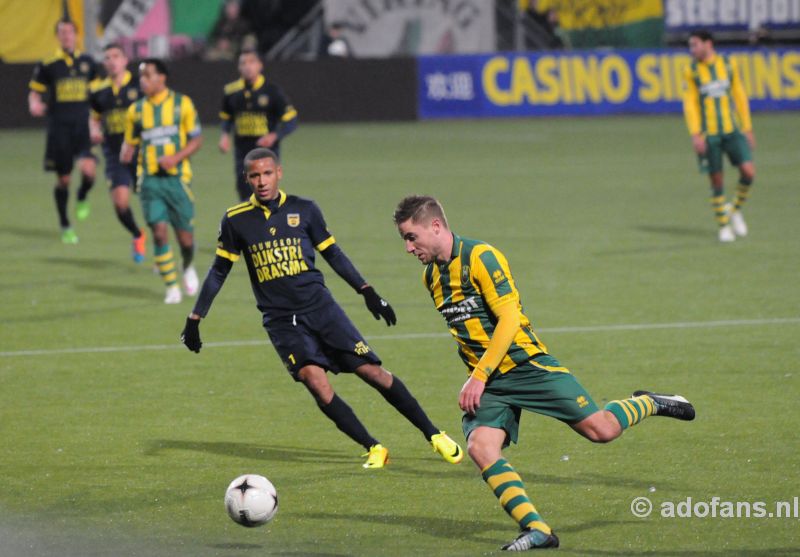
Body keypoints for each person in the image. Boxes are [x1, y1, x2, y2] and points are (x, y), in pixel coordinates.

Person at [393, 195, 695, 551]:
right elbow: (466, 332)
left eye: (411, 237)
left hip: (526, 365)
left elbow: (509, 319)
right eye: (405, 240)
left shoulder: (481, 258)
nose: (409, 248)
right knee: (481, 447)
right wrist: (479, 375)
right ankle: (536, 529)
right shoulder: (431, 278)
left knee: (601, 431)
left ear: (436, 226)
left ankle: (648, 402)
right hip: (490, 381)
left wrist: (480, 374)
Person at [180, 148, 463, 469]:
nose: (261, 181)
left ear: (279, 173)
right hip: (281, 321)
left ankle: (433, 434)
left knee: (372, 372)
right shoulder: (236, 220)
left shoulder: (305, 210)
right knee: (314, 381)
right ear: (246, 178)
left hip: (322, 310)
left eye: (267, 174)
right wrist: (195, 317)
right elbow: (219, 270)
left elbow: (334, 254)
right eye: (255, 175)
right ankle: (374, 447)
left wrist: (367, 291)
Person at [121, 58, 203, 304]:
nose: (143, 81)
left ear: (162, 78)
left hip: (178, 180)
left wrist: (176, 157)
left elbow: (196, 140)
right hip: (149, 182)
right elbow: (130, 142)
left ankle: (187, 266)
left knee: (185, 240)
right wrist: (124, 151)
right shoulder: (135, 110)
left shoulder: (183, 104)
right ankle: (171, 287)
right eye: (141, 76)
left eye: (148, 76)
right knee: (158, 233)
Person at [28, 18, 98, 244]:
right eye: (62, 32)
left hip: (82, 127)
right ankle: (65, 224)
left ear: (76, 35)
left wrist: (96, 123)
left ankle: (83, 195)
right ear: (58, 36)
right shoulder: (49, 63)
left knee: (89, 172)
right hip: (59, 129)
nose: (66, 36)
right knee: (64, 180)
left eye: (70, 32)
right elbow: (35, 92)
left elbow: (97, 97)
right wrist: (34, 104)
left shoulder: (88, 62)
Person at [683, 29, 756, 243]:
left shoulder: (728, 64)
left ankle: (732, 210)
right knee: (716, 180)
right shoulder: (692, 71)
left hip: (732, 130)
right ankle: (723, 226)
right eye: (691, 46)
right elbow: (690, 104)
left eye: (695, 44)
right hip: (709, 134)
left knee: (749, 173)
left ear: (708, 44)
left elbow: (740, 96)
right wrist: (695, 134)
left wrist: (747, 127)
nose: (692, 49)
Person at [89, 43, 147, 263]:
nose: (112, 61)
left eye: (116, 56)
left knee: (152, 207)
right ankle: (137, 234)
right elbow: (94, 116)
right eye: (107, 57)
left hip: (141, 154)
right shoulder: (99, 90)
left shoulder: (139, 85)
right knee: (120, 204)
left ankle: (163, 253)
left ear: (125, 60)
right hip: (114, 155)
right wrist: (94, 130)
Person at [218, 49, 298, 201]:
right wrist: (224, 135)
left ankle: (270, 224)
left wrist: (275, 135)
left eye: (252, 62)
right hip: (242, 153)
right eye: (243, 63)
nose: (247, 67)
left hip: (267, 153)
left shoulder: (272, 91)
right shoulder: (231, 91)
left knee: (266, 193)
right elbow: (226, 117)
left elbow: (291, 121)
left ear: (260, 66)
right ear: (238, 67)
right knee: (245, 195)